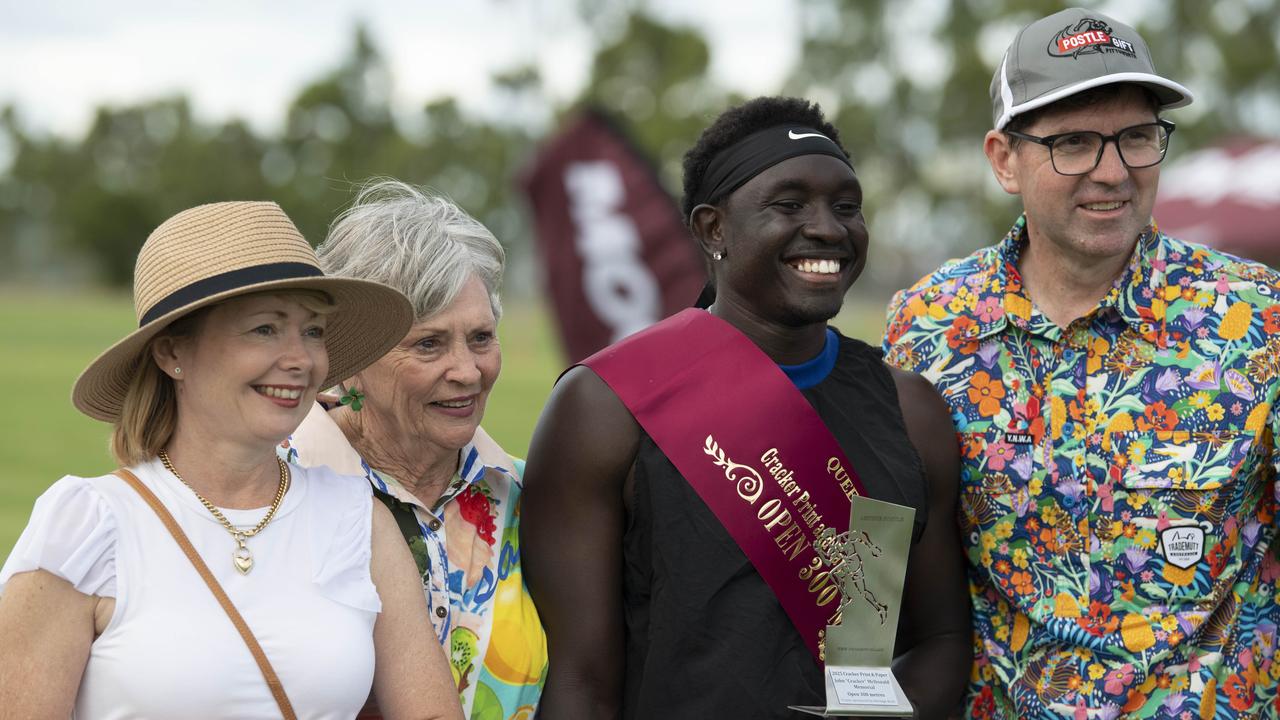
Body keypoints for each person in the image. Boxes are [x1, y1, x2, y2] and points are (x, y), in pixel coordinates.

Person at [884, 7, 1280, 718]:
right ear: (1004, 159)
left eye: (1136, 137)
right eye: (1073, 143)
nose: (1113, 171)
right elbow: (888, 564)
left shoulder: (1257, 318)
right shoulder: (929, 326)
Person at [522, 96, 971, 719]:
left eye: (847, 207)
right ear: (713, 229)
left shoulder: (910, 413)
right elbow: (580, 680)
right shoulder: (606, 406)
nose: (829, 228)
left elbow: (939, 640)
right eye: (789, 205)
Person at [0, 201, 463, 718]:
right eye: (265, 328)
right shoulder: (87, 527)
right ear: (173, 353)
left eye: (312, 331)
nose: (300, 359)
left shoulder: (356, 520)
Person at [282, 180, 547, 720]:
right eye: (428, 344)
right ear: (348, 352)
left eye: (481, 338)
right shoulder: (273, 490)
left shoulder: (533, 498)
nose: (468, 372)